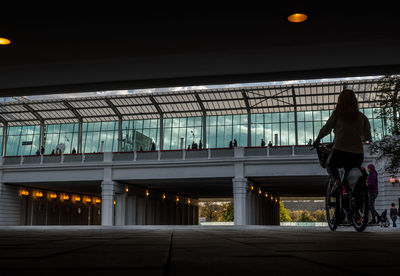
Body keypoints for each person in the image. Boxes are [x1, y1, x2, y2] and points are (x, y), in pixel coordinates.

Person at [313, 89, 372, 194]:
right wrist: (356, 137)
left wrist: (317, 140)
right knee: (353, 170)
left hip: (340, 151)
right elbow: (368, 136)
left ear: (340, 101)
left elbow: (326, 129)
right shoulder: (362, 117)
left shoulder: (337, 114)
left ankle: (337, 181)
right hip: (358, 154)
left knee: (329, 164)